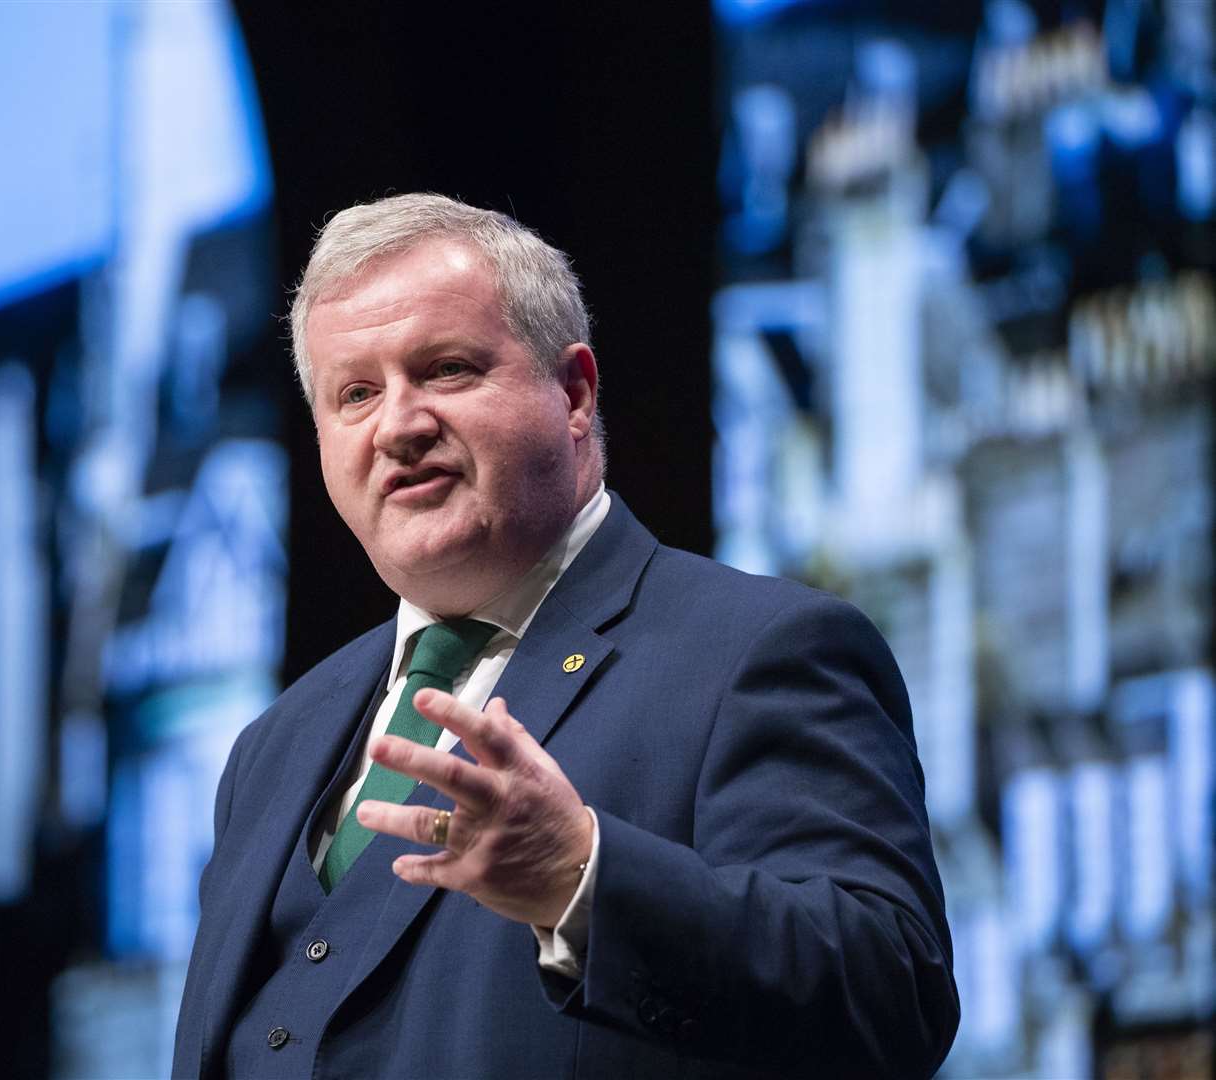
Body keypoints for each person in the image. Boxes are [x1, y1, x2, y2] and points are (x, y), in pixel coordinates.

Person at [172, 194, 958, 1078]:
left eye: (448, 370)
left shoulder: (759, 651)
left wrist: (581, 878)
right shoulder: (271, 748)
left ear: (575, 393)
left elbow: (892, 993)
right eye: (355, 393)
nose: (399, 424)